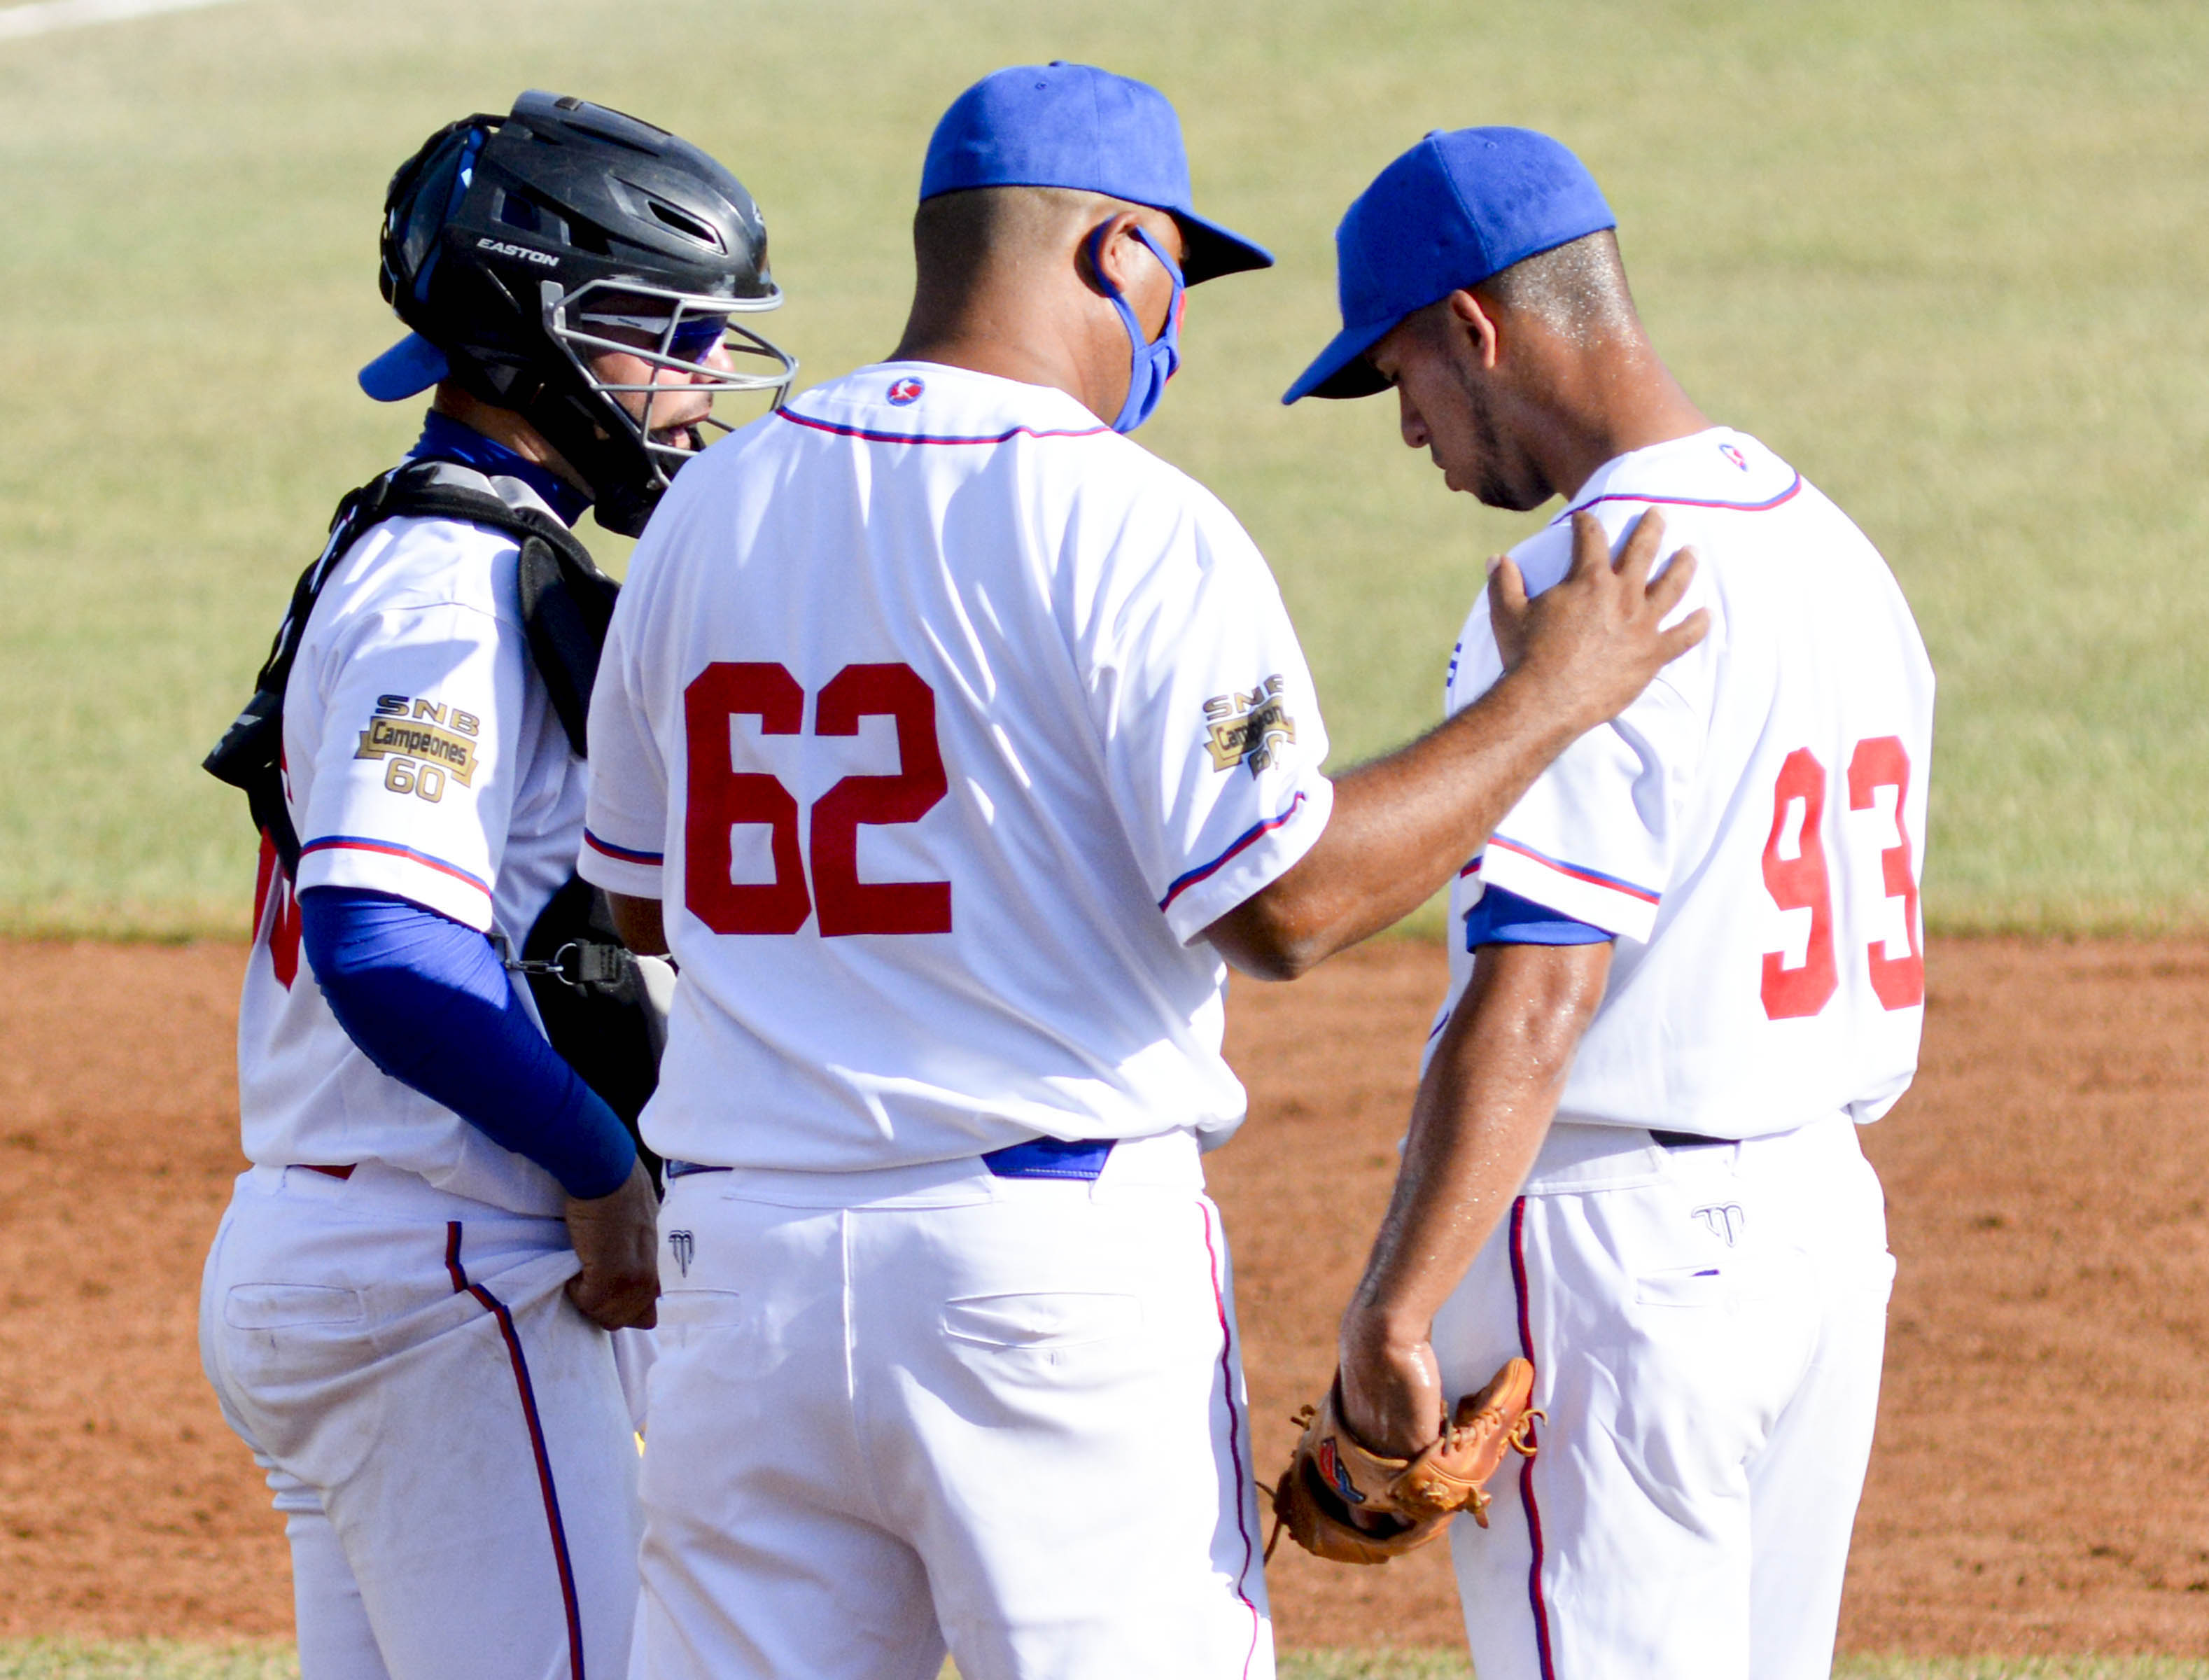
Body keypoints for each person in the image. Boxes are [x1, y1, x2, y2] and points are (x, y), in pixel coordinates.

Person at [577, 65, 1701, 1680]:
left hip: (742, 1280)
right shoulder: (1127, 521)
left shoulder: (710, 506)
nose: (1173, 320)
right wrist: (1550, 701)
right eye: (1177, 269)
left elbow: (642, 898)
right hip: (1038, 1288)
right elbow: (1287, 907)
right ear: (1115, 251)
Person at [1283, 127, 1934, 1680]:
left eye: (1400, 379)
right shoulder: (1837, 549)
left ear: (1474, 328)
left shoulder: (1588, 586)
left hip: (1619, 1264)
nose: (1408, 432)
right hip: (1823, 1232)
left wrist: (1397, 1310)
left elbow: (1539, 993)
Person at [197, 90, 794, 1680]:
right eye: (669, 331)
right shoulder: (446, 585)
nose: (708, 376)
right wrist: (601, 1173)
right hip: (443, 1281)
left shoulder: (428, 544)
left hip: (353, 1261)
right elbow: (386, 947)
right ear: (545, 327)